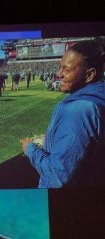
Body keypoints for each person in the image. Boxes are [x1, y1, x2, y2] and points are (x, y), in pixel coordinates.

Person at [20, 40, 105, 188]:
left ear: (89, 74)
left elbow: (57, 176)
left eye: (66, 69)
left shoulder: (79, 110)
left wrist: (30, 149)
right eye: (60, 67)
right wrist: (53, 139)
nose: (59, 74)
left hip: (59, 201)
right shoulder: (97, 99)